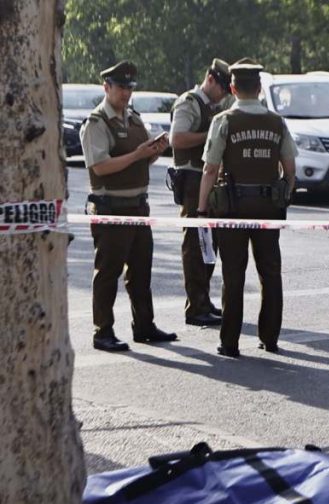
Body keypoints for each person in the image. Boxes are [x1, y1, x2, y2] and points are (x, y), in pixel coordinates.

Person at [197, 59, 297, 358]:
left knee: (234, 276)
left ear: (232, 88)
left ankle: (230, 342)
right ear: (260, 88)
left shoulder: (224, 121)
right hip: (268, 207)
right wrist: (284, 195)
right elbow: (290, 167)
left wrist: (202, 209)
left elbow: (210, 169)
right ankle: (270, 337)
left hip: (233, 208)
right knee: (270, 273)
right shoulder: (277, 121)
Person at [81, 61, 177, 352]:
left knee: (140, 271)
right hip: (111, 207)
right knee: (108, 272)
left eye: (129, 88)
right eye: (121, 87)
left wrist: (152, 152)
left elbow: (139, 157)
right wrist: (137, 155)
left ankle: (144, 326)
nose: (126, 93)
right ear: (106, 87)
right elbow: (100, 167)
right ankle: (103, 331)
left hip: (138, 206)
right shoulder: (96, 123)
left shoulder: (133, 118)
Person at [169, 58, 232, 328]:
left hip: (210, 181)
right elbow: (177, 138)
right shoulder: (189, 102)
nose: (225, 96)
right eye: (224, 89)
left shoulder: (215, 105)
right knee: (195, 247)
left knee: (209, 246)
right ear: (211, 80)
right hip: (193, 180)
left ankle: (203, 300)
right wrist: (210, 135)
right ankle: (195, 307)